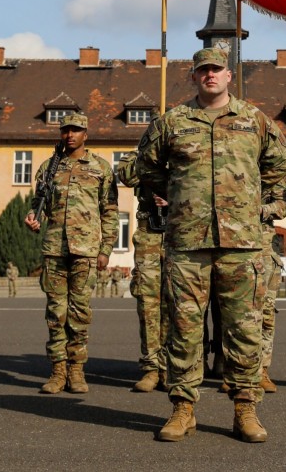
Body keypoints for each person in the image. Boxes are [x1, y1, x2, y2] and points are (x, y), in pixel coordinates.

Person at [136, 46, 286, 443]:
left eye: (216, 69)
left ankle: (245, 409)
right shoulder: (172, 122)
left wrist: (266, 207)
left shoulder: (254, 120)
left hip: (242, 243)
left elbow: (276, 168)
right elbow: (147, 167)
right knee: (184, 328)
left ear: (228, 75)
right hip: (187, 241)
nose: (210, 75)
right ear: (193, 76)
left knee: (244, 328)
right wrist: (170, 199)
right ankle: (183, 409)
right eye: (203, 70)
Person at [25, 112, 118, 394]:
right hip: (55, 248)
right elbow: (37, 202)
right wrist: (32, 217)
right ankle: (58, 370)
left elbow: (110, 211)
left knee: (79, 313)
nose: (70, 135)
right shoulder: (49, 167)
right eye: (66, 130)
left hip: (86, 250)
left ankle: (76, 371)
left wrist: (106, 249)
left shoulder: (101, 168)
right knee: (56, 313)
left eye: (76, 130)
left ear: (86, 134)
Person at [118, 151, 169, 394]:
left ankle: (171, 367)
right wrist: (152, 159)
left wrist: (175, 197)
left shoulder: (187, 152)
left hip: (181, 234)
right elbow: (126, 175)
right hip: (149, 234)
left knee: (177, 304)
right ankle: (151, 366)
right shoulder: (137, 156)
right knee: (148, 303)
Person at [258, 177, 286, 393]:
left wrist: (260, 210)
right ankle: (234, 371)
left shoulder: (273, 167)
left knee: (266, 314)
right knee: (233, 315)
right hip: (232, 246)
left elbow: (283, 206)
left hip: (264, 248)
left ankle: (262, 371)